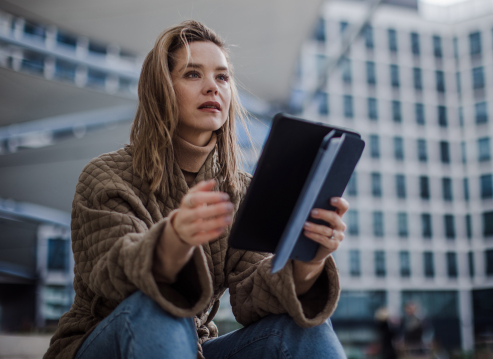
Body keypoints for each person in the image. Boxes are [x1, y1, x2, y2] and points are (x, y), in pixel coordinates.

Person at [44, 20, 348, 359]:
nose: (212, 87)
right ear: (161, 89)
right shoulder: (106, 177)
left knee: (305, 329)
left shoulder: (238, 191)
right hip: (102, 343)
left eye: (222, 77)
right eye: (192, 74)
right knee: (161, 306)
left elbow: (251, 295)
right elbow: (112, 278)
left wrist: (310, 260)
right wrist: (174, 239)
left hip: (192, 347)